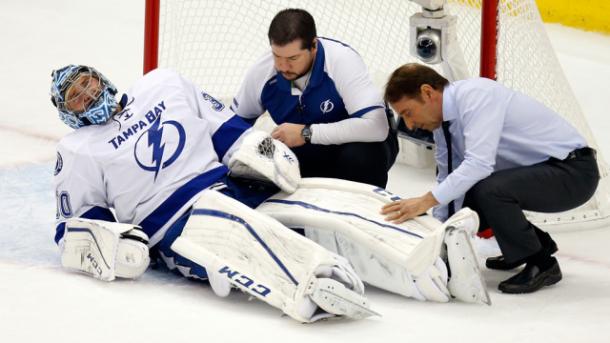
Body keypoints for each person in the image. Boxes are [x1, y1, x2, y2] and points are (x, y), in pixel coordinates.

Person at [49, 64, 375, 323]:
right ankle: (309, 287)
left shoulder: (161, 84)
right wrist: (113, 243)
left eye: (86, 83)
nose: (87, 94)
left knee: (313, 209)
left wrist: (256, 151)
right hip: (175, 225)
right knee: (235, 240)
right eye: (75, 96)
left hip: (228, 184)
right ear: (67, 113)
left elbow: (224, 129)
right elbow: (76, 227)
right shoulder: (78, 151)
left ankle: (377, 243)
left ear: (100, 77)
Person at [380, 63, 600, 294]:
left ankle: (542, 263)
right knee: (463, 196)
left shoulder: (476, 96)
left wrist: (424, 201)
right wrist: (437, 237)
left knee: (488, 189)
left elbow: (479, 164)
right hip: (544, 172)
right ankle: (537, 243)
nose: (409, 125)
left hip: (574, 173)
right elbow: (448, 176)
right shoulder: (442, 124)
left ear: (427, 92)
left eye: (408, 113)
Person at [231, 8, 398, 188]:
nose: (282, 66)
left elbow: (377, 127)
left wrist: (307, 133)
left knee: (360, 157)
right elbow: (231, 127)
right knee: (255, 165)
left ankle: (363, 211)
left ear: (314, 46)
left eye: (293, 58)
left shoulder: (342, 60)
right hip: (307, 151)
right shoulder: (261, 72)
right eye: (276, 55)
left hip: (358, 147)